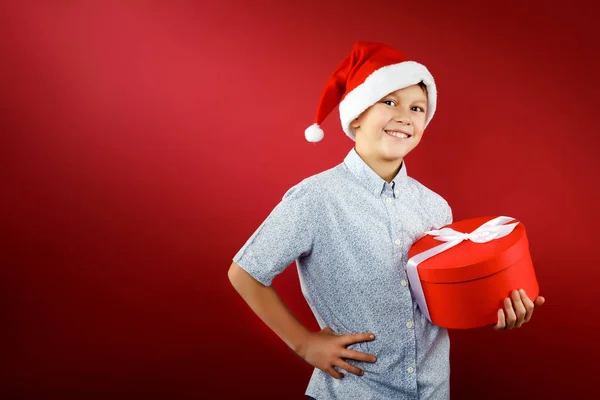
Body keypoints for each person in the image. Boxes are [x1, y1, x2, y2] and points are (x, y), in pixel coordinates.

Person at [227, 41, 545, 399]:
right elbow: (246, 272)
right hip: (354, 392)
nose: (404, 116)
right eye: (389, 102)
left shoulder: (435, 208)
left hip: (433, 390)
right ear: (357, 114)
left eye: (417, 108)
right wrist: (304, 344)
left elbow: (438, 305)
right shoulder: (316, 198)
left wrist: (497, 304)